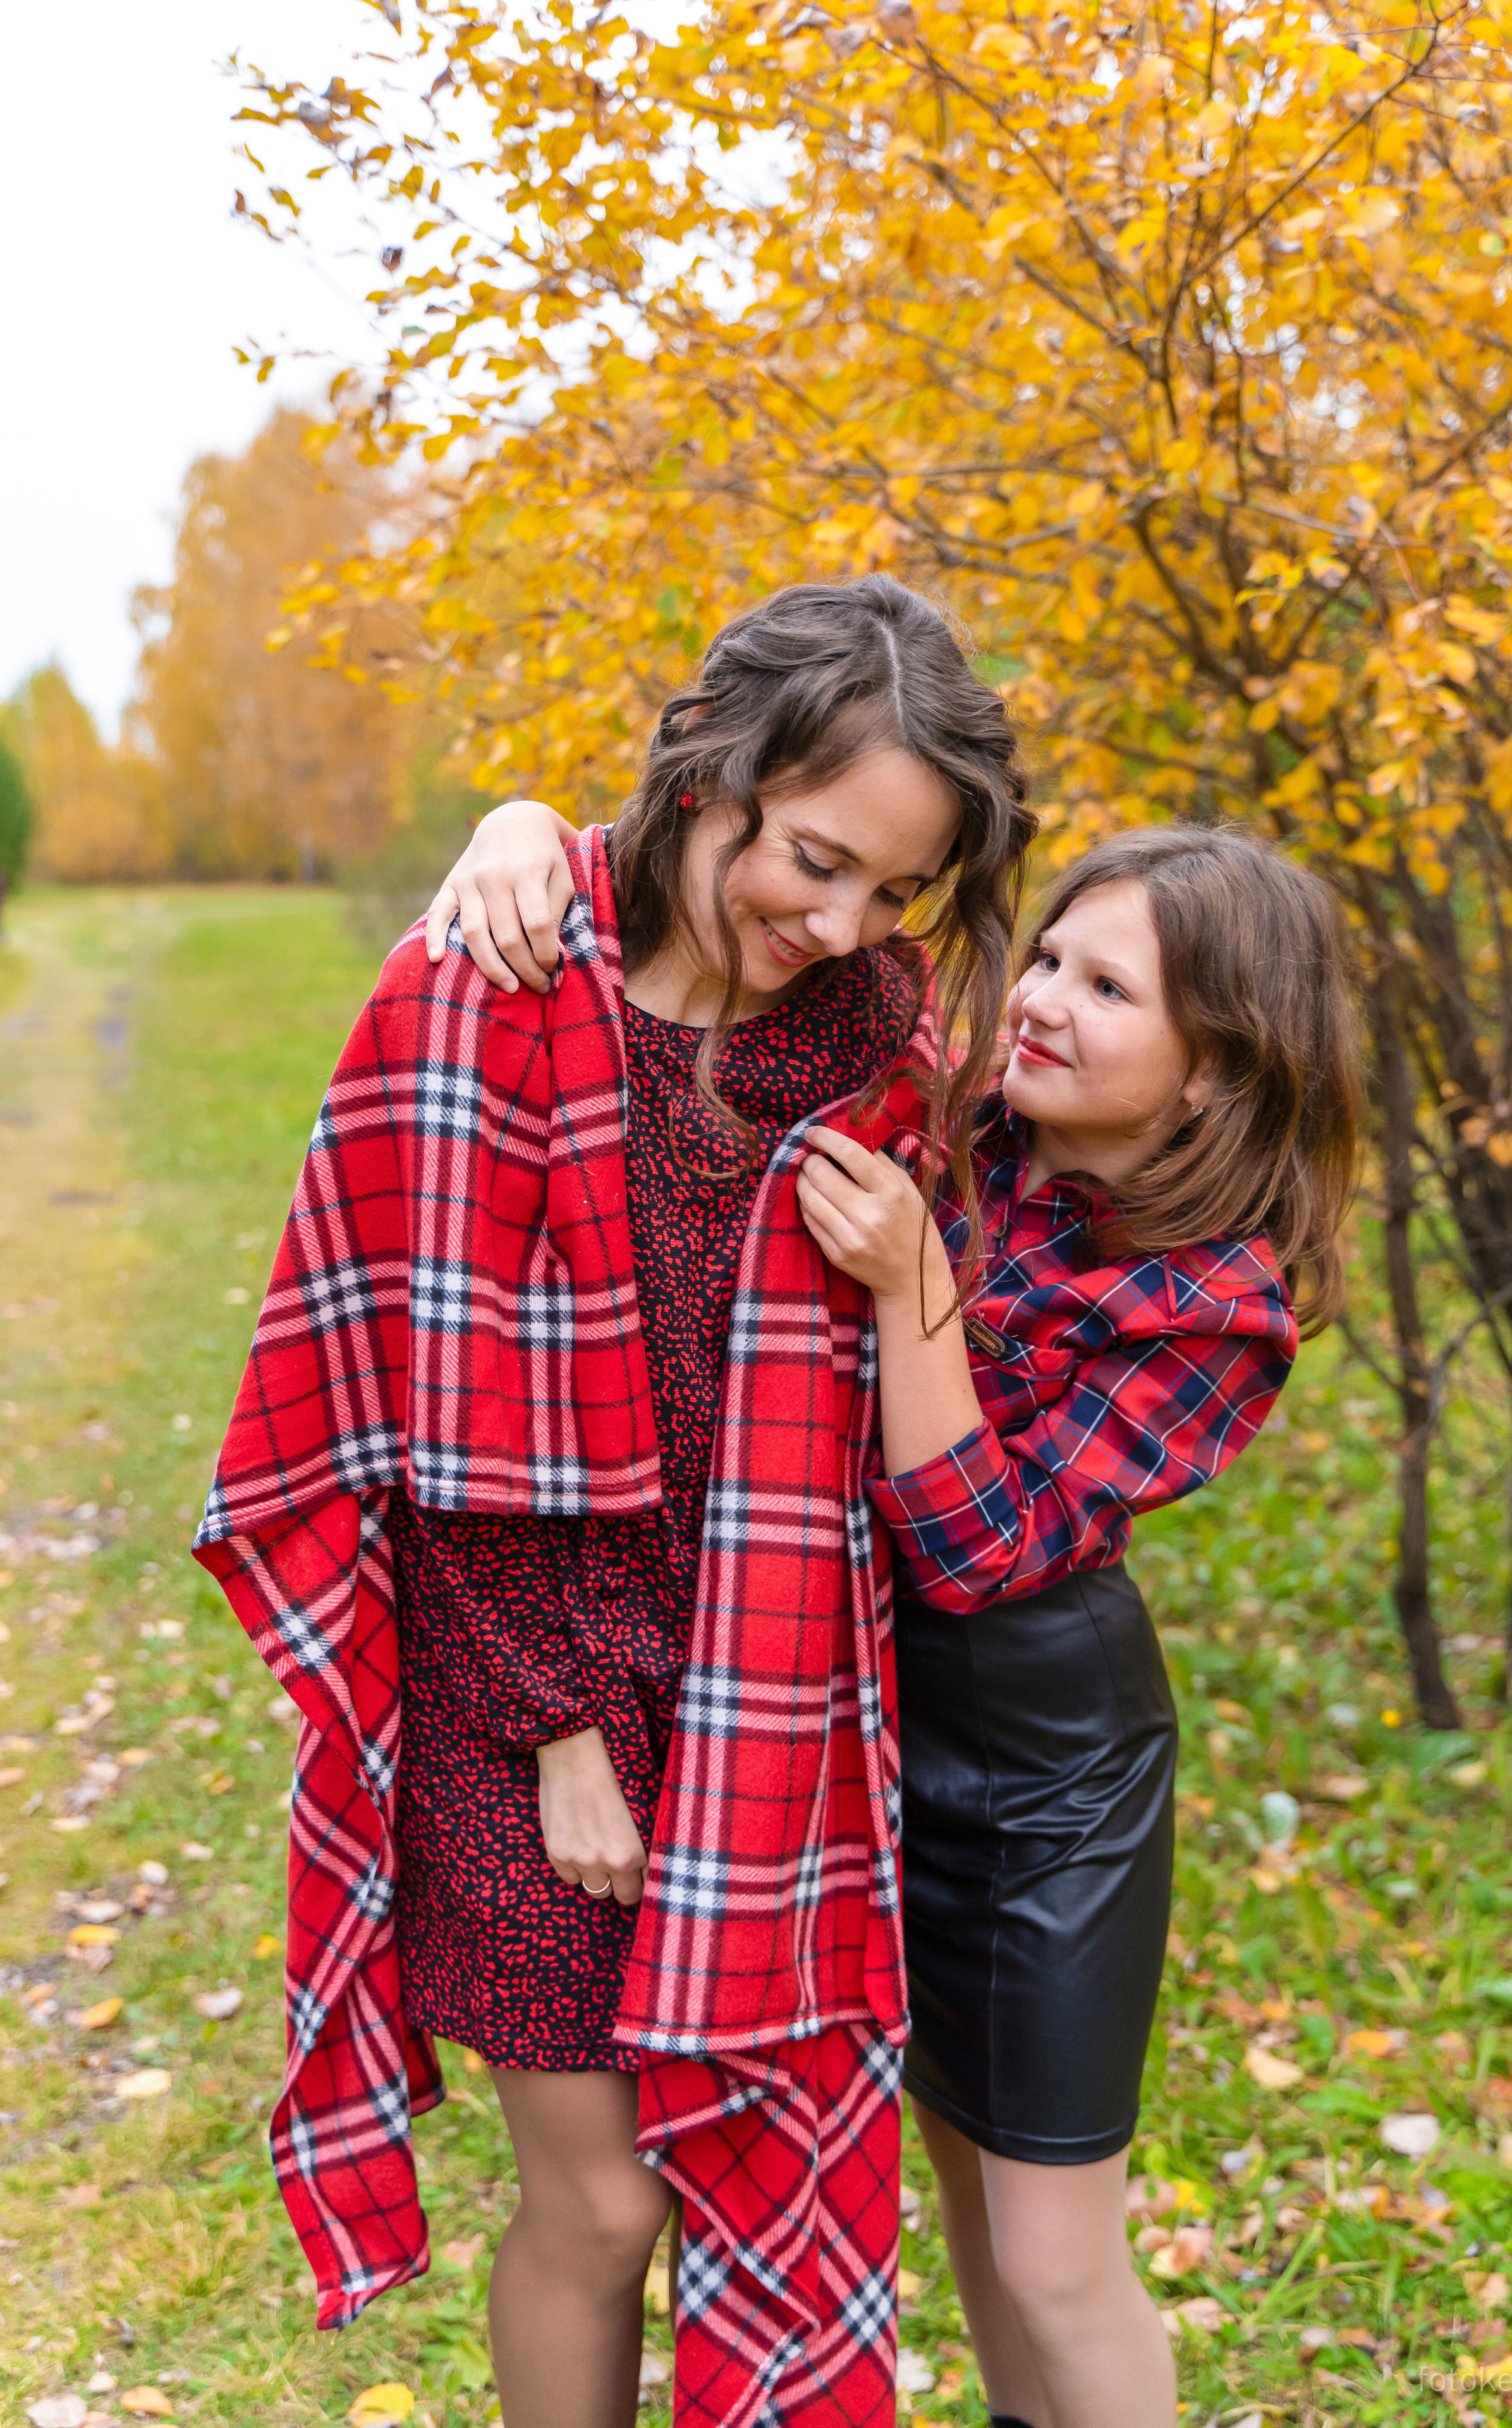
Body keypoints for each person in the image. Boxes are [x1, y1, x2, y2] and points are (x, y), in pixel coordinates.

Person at [192, 574, 1037, 2428]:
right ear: (710, 769)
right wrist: (564, 1732)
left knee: (751, 2178)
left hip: (766, 1708)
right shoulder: (488, 974)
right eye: (813, 858)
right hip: (520, 1698)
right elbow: (438, 1409)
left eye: (892, 890)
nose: (840, 925)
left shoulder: (862, 1032)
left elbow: (996, 1252)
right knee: (603, 2196)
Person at [428, 812, 1360, 2428]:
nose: (1048, 1002)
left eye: (1111, 991)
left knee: (1057, 2246)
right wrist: (521, 829)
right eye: (1051, 958)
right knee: (967, 2218)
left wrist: (913, 1287)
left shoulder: (1212, 1301)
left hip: (1040, 1787)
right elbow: (720, 893)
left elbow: (983, 1551)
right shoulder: (959, 1131)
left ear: (1216, 1068)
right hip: (836, 1747)